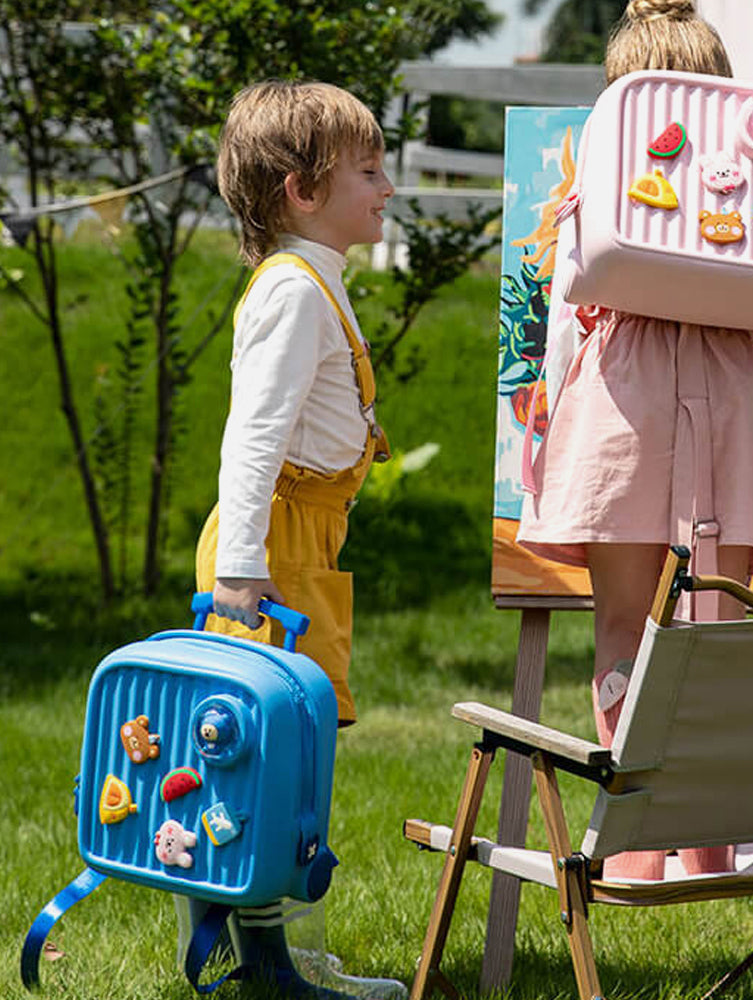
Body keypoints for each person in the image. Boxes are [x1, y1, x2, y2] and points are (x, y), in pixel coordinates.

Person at [517, 0, 753, 880]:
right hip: (731, 402)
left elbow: (569, 313)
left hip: (622, 403)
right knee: (714, 633)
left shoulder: (596, 184)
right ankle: (707, 846)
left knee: (622, 631)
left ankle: (635, 846)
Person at [190, 79, 403, 999]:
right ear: (301, 192)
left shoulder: (316, 283)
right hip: (269, 557)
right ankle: (267, 962)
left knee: (293, 751)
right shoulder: (294, 293)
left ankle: (274, 953)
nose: (387, 186)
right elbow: (252, 440)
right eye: (368, 169)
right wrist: (242, 572)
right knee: (265, 757)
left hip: (298, 548)